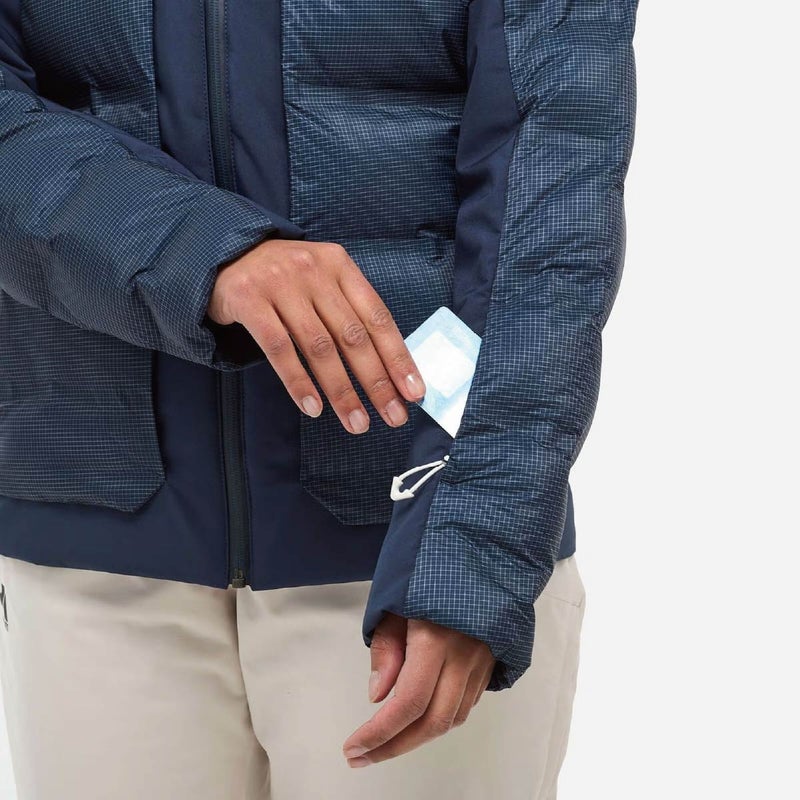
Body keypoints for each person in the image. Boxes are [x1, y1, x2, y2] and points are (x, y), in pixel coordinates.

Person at [0, 1, 638, 798]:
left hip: (409, 559)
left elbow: (550, 208)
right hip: (90, 555)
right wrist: (198, 250)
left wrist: (469, 550)